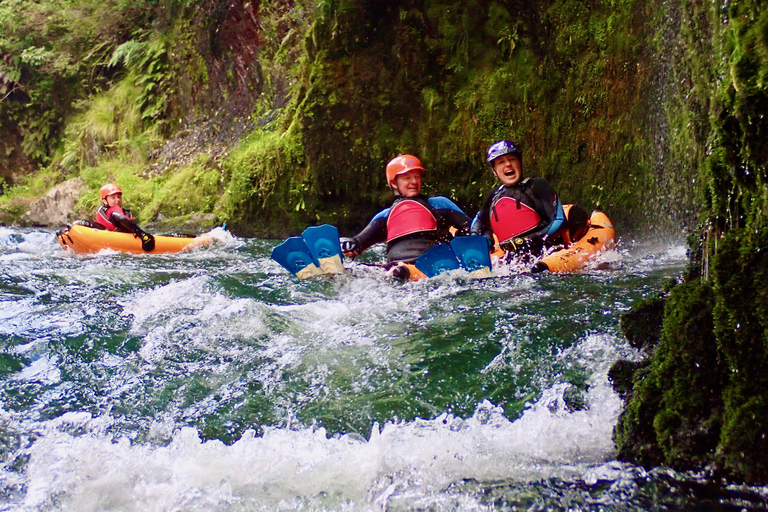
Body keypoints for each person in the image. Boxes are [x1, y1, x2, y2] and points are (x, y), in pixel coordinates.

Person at [340, 154, 471, 278]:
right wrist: (351, 245)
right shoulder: (385, 216)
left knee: (400, 272)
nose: (414, 182)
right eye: (407, 178)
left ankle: (404, 272)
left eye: (417, 177)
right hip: (394, 268)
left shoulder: (439, 204)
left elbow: (472, 228)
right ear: (394, 183)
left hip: (434, 264)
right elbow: (359, 241)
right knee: (357, 270)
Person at [471, 139, 587, 260]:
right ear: (494, 171)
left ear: (519, 162)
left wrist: (527, 240)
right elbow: (478, 222)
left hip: (545, 254)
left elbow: (559, 221)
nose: (508, 165)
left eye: (512, 159)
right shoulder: (494, 194)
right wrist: (484, 239)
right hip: (512, 260)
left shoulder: (537, 185)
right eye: (501, 162)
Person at [77, 183, 155, 251]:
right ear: (104, 201)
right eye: (113, 197)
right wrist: (142, 234)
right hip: (118, 240)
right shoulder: (114, 210)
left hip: (112, 241)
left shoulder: (106, 211)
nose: (117, 200)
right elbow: (121, 218)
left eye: (119, 197)